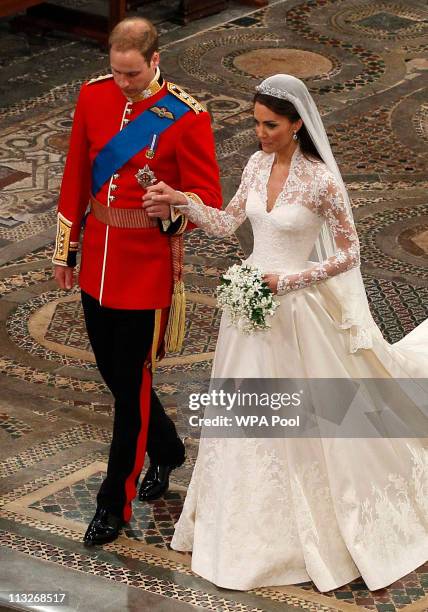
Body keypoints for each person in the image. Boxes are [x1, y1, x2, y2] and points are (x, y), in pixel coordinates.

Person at [142, 74, 428, 592]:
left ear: (297, 123)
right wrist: (182, 200)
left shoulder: (321, 180)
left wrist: (291, 279)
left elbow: (349, 254)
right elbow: (228, 225)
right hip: (246, 316)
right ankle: (240, 521)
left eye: (270, 125)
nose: (260, 133)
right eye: (256, 123)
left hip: (298, 316)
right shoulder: (254, 165)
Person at [52, 16, 222, 545]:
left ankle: (114, 503)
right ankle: (168, 449)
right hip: (100, 255)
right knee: (118, 376)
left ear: (155, 60)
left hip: (147, 268)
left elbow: (208, 202)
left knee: (130, 389)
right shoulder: (92, 97)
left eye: (132, 73)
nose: (123, 83)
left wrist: (173, 205)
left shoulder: (187, 118)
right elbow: (77, 173)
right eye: (116, 72)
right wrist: (67, 250)